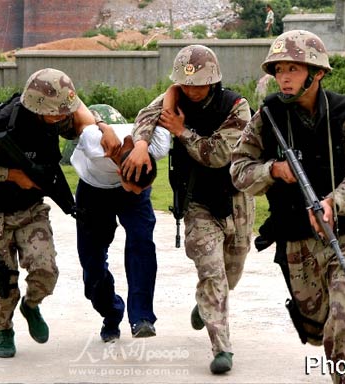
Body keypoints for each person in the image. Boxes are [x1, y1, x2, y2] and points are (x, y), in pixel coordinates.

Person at [230, 30, 345, 384]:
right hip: (296, 240)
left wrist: (334, 202)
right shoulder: (267, 118)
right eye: (278, 69)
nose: (283, 77)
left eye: (293, 69)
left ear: (317, 73)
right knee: (318, 329)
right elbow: (238, 170)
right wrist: (273, 170)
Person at [0, 68, 120, 358]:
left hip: (31, 209)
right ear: (37, 107)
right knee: (3, 280)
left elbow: (80, 121)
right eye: (56, 113)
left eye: (63, 112)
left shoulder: (54, 117)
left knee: (46, 271)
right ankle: (4, 329)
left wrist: (103, 126)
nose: (62, 118)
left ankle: (31, 306)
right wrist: (11, 175)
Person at [122, 44, 255, 374]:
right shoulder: (174, 98)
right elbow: (145, 118)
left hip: (236, 198)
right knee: (212, 274)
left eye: (198, 84)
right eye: (185, 84)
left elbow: (219, 155)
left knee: (231, 271)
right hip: (197, 202)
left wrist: (181, 132)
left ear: (213, 81)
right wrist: (140, 143)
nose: (192, 90)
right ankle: (222, 347)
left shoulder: (237, 107)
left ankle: (205, 305)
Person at [70, 108, 170, 342]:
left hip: (134, 191)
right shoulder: (95, 144)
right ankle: (111, 312)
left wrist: (138, 191)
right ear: (118, 172)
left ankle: (142, 317)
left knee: (142, 242)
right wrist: (102, 125)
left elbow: (162, 106)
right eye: (133, 187)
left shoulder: (157, 146)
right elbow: (78, 111)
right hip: (93, 191)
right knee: (92, 263)